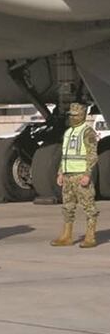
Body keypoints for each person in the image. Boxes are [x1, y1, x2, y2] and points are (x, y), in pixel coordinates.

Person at [51, 102, 99, 248]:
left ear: (82, 115)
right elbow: (65, 155)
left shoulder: (87, 132)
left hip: (80, 175)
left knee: (88, 206)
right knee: (67, 207)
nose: (72, 117)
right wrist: (60, 173)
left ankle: (90, 236)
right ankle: (67, 235)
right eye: (71, 115)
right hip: (68, 176)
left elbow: (92, 155)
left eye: (75, 115)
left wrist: (87, 174)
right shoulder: (68, 132)